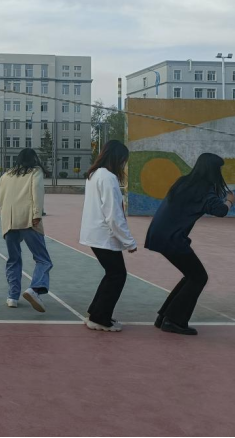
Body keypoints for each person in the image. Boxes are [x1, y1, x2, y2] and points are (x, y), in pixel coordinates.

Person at [146, 153, 235, 336]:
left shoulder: (184, 182)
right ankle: (173, 320)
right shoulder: (203, 189)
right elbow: (220, 210)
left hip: (159, 234)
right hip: (172, 238)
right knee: (198, 277)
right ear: (213, 170)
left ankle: (164, 317)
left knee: (191, 275)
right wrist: (230, 201)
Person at [79, 140, 137, 333]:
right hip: (104, 235)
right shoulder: (108, 178)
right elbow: (113, 214)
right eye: (123, 161)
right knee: (117, 275)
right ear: (118, 158)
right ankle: (100, 318)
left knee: (112, 274)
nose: (123, 165)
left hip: (95, 234)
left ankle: (95, 313)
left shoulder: (94, 174)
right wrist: (129, 242)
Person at [0, 148, 52, 312]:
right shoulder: (35, 172)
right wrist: (37, 214)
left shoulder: (6, 175)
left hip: (9, 221)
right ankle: (35, 289)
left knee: (13, 259)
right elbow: (37, 193)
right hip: (28, 220)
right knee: (43, 259)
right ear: (34, 159)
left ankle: (12, 297)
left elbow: (0, 199)